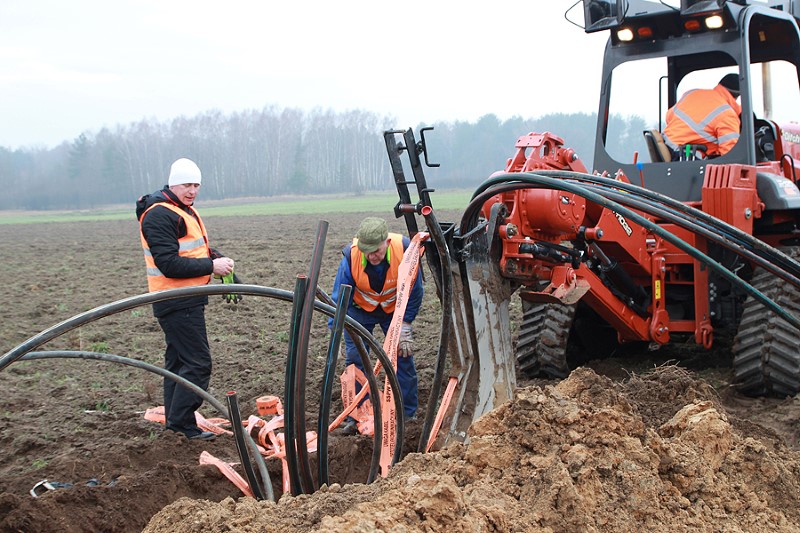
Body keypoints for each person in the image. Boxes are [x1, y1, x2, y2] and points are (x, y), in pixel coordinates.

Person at [136, 158, 235, 440]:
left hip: (187, 298)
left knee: (179, 364)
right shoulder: (159, 214)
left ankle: (176, 425)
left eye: (196, 185)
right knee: (197, 363)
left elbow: (192, 250)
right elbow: (168, 263)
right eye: (187, 185)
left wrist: (215, 258)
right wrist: (210, 267)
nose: (192, 191)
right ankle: (182, 425)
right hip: (177, 300)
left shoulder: (180, 209)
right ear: (172, 184)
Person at [330, 217, 424, 433]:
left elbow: (416, 291)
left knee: (402, 356)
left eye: (376, 250)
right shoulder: (351, 256)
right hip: (360, 310)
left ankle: (407, 414)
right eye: (367, 251)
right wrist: (338, 331)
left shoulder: (405, 250)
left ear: (386, 242)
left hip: (394, 310)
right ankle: (357, 416)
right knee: (355, 359)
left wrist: (406, 324)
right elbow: (339, 297)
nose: (372, 255)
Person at [662, 73, 742, 159]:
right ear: (738, 95)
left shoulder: (692, 93)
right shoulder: (727, 115)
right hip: (685, 156)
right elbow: (730, 155)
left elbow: (669, 117)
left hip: (668, 144)